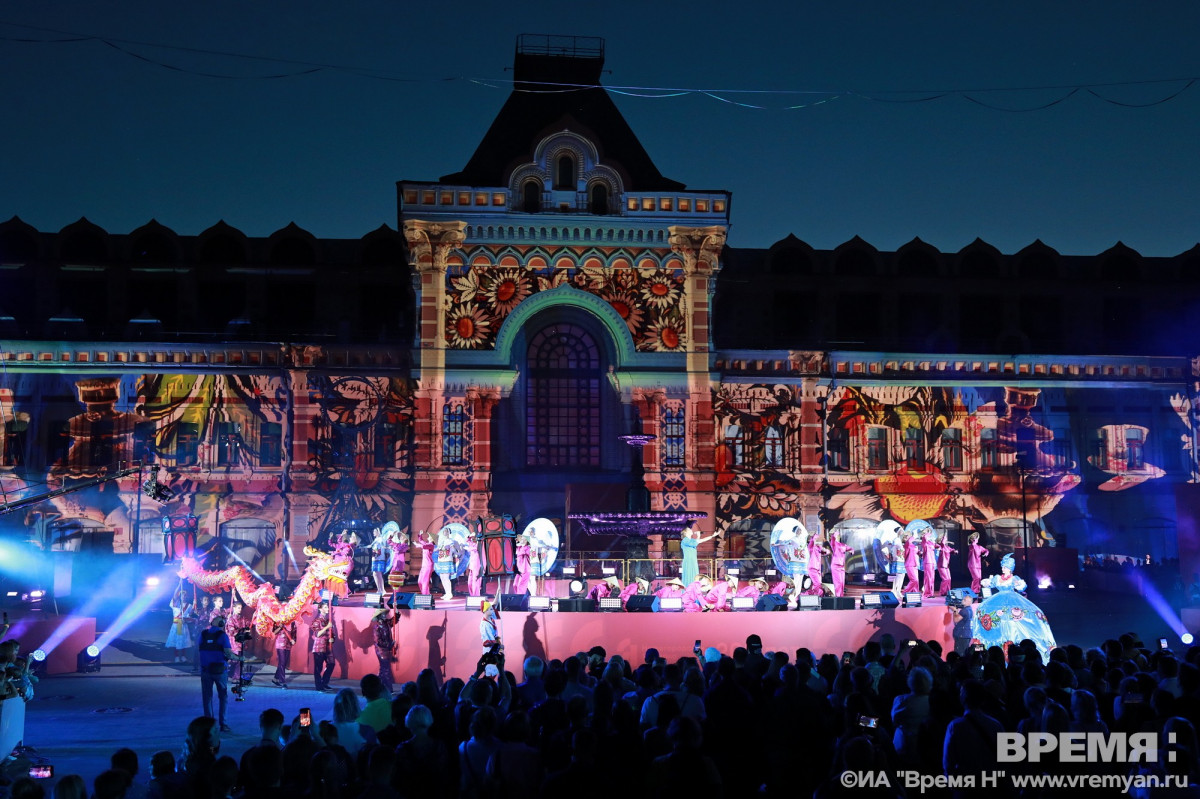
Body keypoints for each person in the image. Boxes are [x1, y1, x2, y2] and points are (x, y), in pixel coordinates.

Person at [971, 553, 1057, 663]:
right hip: (998, 599)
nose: (1003, 569)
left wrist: (1019, 584)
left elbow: (1022, 587)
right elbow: (989, 583)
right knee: (984, 612)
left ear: (1010, 569)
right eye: (1002, 567)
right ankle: (985, 650)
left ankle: (1015, 646)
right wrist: (987, 582)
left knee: (1017, 616)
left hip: (1012, 599)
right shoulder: (997, 578)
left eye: (1005, 567)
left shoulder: (1014, 578)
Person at [197, 615, 234, 733]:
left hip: (205, 670)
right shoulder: (223, 636)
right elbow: (229, 654)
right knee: (223, 697)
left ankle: (209, 725)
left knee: (207, 698)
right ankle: (223, 724)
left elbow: (199, 647)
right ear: (222, 624)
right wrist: (240, 657)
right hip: (220, 671)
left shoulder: (203, 634)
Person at [679, 522, 720, 587]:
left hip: (693, 561)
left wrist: (712, 536)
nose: (691, 530)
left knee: (695, 576)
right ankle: (688, 590)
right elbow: (698, 541)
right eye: (689, 529)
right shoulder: (685, 540)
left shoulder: (691, 540)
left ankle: (694, 590)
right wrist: (699, 536)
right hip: (689, 561)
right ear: (685, 533)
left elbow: (697, 541)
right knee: (689, 575)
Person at [224, 599, 250, 699]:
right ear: (234, 608)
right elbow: (231, 630)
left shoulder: (243, 618)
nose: (239, 609)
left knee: (240, 659)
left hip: (241, 641)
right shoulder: (230, 619)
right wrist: (239, 633)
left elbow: (248, 624)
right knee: (234, 659)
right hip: (234, 641)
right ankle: (230, 674)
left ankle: (236, 677)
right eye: (238, 608)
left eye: (240, 608)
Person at [311, 601, 336, 692]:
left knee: (331, 663)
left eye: (327, 607)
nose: (327, 609)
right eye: (325, 607)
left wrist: (332, 639)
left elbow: (331, 634)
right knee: (318, 668)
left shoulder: (327, 620)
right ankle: (319, 686)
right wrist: (326, 627)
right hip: (319, 647)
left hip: (327, 646)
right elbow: (317, 634)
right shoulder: (317, 621)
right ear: (320, 609)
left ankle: (324, 682)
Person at [372, 607, 397, 695]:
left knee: (383, 670)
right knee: (386, 670)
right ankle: (389, 689)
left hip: (386, 650)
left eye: (385, 614)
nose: (385, 615)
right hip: (381, 651)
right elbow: (378, 641)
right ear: (379, 616)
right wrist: (389, 645)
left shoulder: (387, 624)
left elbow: (394, 621)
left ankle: (377, 687)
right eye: (383, 614)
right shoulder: (377, 627)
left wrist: (396, 612)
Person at [166, 588, 195, 663]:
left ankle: (183, 656)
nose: (184, 597)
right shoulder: (175, 604)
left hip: (184, 625)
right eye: (182, 595)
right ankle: (176, 656)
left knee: (183, 641)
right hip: (177, 625)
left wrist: (194, 606)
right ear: (180, 596)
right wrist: (179, 585)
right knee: (178, 641)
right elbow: (175, 595)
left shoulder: (189, 605)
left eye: (185, 596)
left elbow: (190, 615)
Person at [270, 619, 296, 688]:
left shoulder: (293, 622)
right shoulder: (278, 622)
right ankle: (283, 681)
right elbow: (274, 632)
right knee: (282, 662)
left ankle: (275, 679)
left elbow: (294, 633)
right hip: (280, 644)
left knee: (283, 663)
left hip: (288, 645)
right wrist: (280, 627)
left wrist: (294, 640)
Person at [829, 529, 854, 597]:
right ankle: (838, 596)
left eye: (838, 535)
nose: (838, 536)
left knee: (842, 583)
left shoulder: (843, 545)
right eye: (837, 535)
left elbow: (851, 548)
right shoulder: (834, 544)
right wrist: (834, 534)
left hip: (842, 567)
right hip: (835, 566)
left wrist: (851, 551)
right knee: (838, 583)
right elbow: (832, 541)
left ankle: (841, 596)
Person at [368, 526, 392, 595]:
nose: (373, 533)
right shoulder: (375, 540)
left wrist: (387, 556)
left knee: (379, 574)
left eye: (374, 531)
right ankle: (379, 589)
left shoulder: (382, 539)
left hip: (380, 558)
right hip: (374, 558)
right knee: (374, 574)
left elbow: (385, 548)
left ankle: (382, 589)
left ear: (378, 532)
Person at [435, 528, 459, 601]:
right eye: (444, 531)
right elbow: (437, 549)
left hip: (447, 560)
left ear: (449, 532)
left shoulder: (451, 541)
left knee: (446, 577)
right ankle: (446, 592)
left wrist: (453, 551)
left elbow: (454, 550)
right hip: (441, 560)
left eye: (446, 531)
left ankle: (449, 593)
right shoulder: (442, 541)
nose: (444, 532)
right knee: (442, 577)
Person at [387, 526, 410, 592]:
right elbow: (389, 541)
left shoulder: (405, 545)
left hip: (400, 563)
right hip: (395, 563)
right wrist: (392, 535)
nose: (401, 538)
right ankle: (395, 592)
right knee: (391, 577)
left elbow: (399, 549)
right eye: (400, 537)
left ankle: (397, 592)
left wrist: (393, 548)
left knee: (397, 578)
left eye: (402, 537)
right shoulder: (397, 544)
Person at [415, 529, 435, 596]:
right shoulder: (427, 544)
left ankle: (425, 596)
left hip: (428, 565)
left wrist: (418, 545)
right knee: (420, 581)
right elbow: (421, 541)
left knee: (425, 582)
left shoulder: (431, 545)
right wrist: (420, 535)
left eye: (429, 536)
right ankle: (426, 594)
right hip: (424, 565)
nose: (428, 537)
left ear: (432, 539)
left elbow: (423, 546)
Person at [465, 530, 483, 596]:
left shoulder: (479, 544)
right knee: (470, 582)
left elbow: (474, 548)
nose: (473, 538)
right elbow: (467, 541)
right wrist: (469, 536)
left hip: (477, 564)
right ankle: (472, 595)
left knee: (475, 581)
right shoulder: (472, 544)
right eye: (472, 537)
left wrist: (468, 548)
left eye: (474, 537)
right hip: (472, 565)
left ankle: (476, 595)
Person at [920, 529, 938, 598]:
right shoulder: (924, 542)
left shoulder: (930, 543)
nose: (929, 535)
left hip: (932, 561)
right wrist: (926, 532)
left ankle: (931, 593)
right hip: (927, 561)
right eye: (928, 534)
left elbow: (937, 545)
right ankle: (927, 593)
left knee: (932, 578)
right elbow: (924, 538)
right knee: (928, 577)